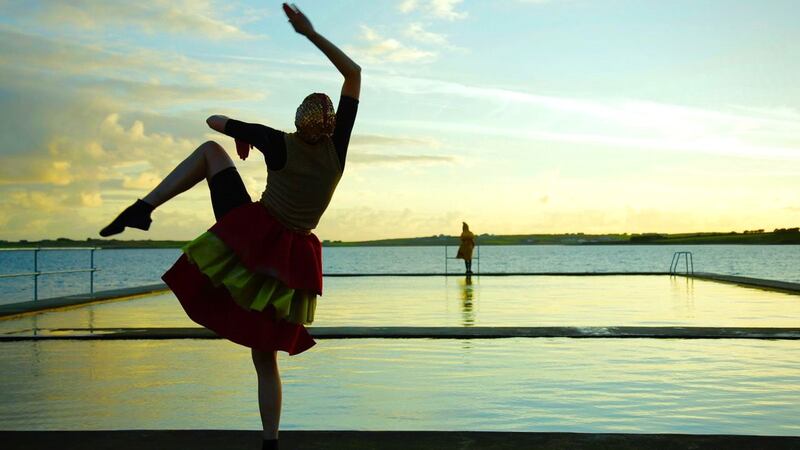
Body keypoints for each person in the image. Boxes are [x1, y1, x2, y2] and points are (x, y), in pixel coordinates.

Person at [98, 4, 360, 449]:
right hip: (292, 260)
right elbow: (353, 73)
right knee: (266, 360)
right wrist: (311, 34)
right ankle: (271, 441)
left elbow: (214, 122)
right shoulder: (338, 152)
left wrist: (242, 134)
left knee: (208, 151)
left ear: (298, 121)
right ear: (334, 125)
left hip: (253, 234)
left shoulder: (276, 141)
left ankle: (145, 206)